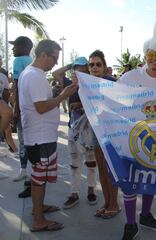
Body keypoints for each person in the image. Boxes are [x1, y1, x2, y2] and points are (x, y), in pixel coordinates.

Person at [118, 23, 156, 240]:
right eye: (150, 54)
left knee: (152, 180)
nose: (154, 58)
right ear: (144, 56)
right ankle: (130, 224)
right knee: (130, 181)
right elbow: (112, 99)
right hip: (131, 139)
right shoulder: (129, 78)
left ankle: (145, 215)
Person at [19, 39, 78, 232]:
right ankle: (38, 219)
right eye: (54, 58)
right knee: (39, 179)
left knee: (41, 177)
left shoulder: (32, 74)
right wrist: (64, 95)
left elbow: (41, 102)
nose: (55, 63)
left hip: (40, 135)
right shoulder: (34, 76)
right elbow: (41, 107)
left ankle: (39, 208)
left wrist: (54, 94)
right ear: (43, 55)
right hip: (40, 137)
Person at [52, 57, 98, 209]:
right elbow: (55, 73)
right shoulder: (69, 84)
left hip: (90, 130)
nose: (81, 73)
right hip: (73, 128)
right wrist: (70, 65)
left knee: (91, 163)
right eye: (78, 70)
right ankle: (74, 193)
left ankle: (91, 190)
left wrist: (82, 105)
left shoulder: (93, 85)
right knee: (74, 163)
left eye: (85, 70)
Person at [87, 50, 120, 219]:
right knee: (101, 168)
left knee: (110, 170)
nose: (94, 67)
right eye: (91, 64)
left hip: (111, 133)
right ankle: (107, 202)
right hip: (95, 131)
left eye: (98, 64)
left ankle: (114, 204)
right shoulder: (86, 84)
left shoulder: (111, 83)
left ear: (104, 67)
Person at [9, 36, 33, 182]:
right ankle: (33, 170)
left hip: (23, 107)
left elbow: (17, 87)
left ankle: (24, 170)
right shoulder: (31, 61)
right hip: (34, 106)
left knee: (23, 140)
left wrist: (16, 110)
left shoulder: (18, 61)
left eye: (15, 46)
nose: (13, 49)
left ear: (24, 48)